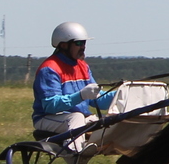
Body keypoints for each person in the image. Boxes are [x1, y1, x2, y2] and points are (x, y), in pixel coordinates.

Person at [32, 22, 114, 153]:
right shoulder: (50, 68)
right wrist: (81, 96)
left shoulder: (83, 66)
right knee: (76, 117)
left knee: (112, 120)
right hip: (47, 118)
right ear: (64, 45)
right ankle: (74, 153)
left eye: (84, 43)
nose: (83, 47)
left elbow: (97, 99)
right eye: (78, 43)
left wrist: (120, 94)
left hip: (78, 118)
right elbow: (50, 106)